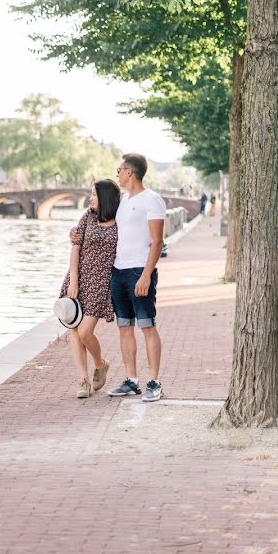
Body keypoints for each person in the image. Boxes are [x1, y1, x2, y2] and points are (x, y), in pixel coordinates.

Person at [106, 153, 167, 402]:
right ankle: (132, 380)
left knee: (147, 327)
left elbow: (158, 241)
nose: (117, 173)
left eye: (119, 169)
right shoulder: (121, 201)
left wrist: (146, 275)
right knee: (124, 327)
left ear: (129, 172)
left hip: (139, 272)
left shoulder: (152, 200)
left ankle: (154, 381)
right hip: (118, 272)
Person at [59, 179, 120, 399]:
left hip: (101, 283)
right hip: (78, 279)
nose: (90, 198)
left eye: (93, 194)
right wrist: (73, 280)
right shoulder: (87, 217)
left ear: (105, 198)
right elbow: (76, 248)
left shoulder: (120, 221)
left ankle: (100, 364)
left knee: (85, 331)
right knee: (75, 331)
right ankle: (83, 380)